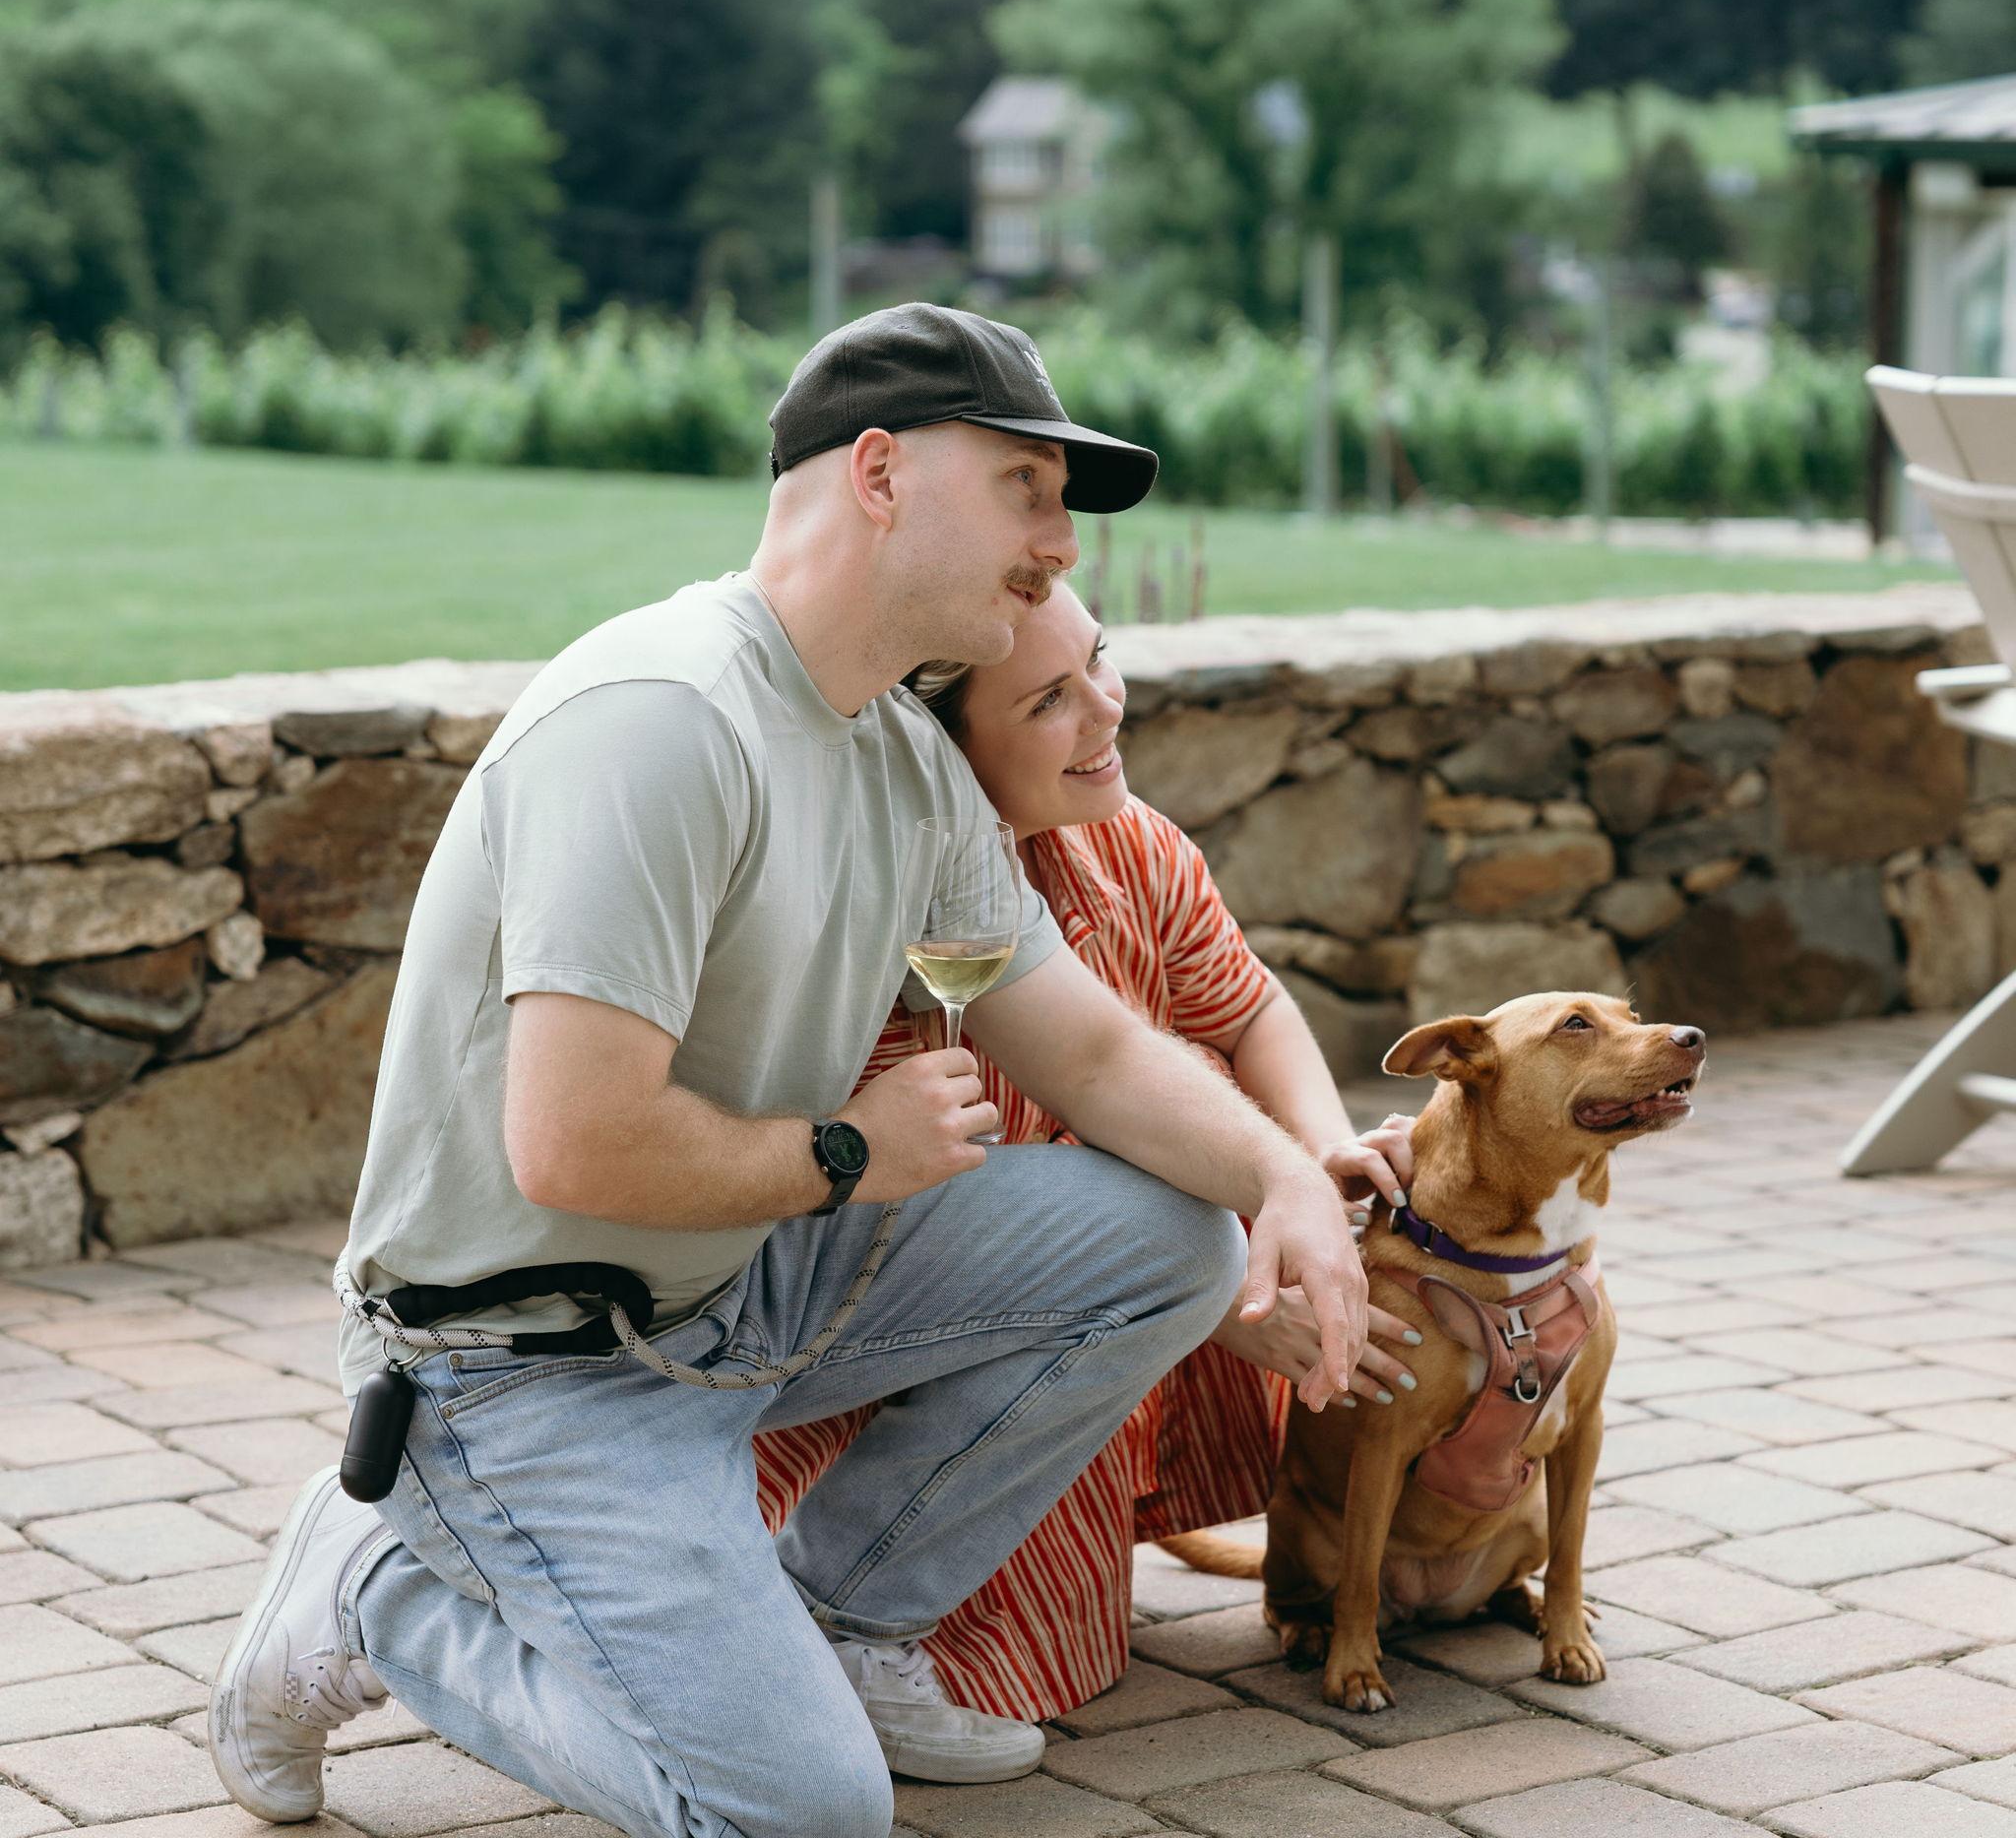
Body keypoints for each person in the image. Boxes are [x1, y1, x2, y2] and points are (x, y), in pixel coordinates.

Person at [208, 303, 1383, 1838]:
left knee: (1170, 1238)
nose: (1062, 548)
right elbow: (572, 1147)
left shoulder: (895, 758)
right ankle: (375, 1596)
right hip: (516, 1364)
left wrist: (1285, 1174)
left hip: (741, 1283)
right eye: (1026, 488)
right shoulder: (659, 719)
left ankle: (838, 1620)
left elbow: (1085, 1044)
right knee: (801, 1819)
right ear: (880, 473)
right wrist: (847, 1152)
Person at [753, 580, 1420, 1722]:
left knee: (1223, 1129)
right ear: (946, 755)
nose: (1106, 709)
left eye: (1098, 662)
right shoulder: (880, 903)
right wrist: (1223, 1288)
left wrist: (1316, 1153)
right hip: (875, 1311)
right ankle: (821, 1597)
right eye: (1050, 700)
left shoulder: (1132, 840)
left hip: (1097, 1260)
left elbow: (1248, 1008)